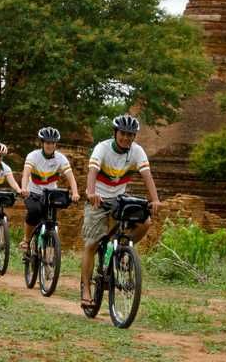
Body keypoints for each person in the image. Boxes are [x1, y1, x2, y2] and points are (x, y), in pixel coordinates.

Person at [80, 114, 162, 308]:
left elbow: (147, 175)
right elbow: (92, 171)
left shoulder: (137, 151)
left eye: (130, 135)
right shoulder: (102, 148)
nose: (126, 138)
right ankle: (86, 289)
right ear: (115, 133)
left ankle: (124, 248)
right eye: (123, 133)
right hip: (98, 199)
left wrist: (156, 200)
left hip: (119, 200)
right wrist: (91, 193)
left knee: (146, 222)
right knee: (92, 244)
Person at [20, 127, 80, 250]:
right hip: (33, 192)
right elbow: (26, 174)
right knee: (34, 211)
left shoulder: (60, 158)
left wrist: (75, 192)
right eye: (47, 142)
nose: (50, 145)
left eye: (53, 143)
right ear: (42, 143)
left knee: (50, 222)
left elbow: (70, 176)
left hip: (50, 195)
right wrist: (24, 188)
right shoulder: (33, 156)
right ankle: (26, 240)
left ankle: (49, 247)